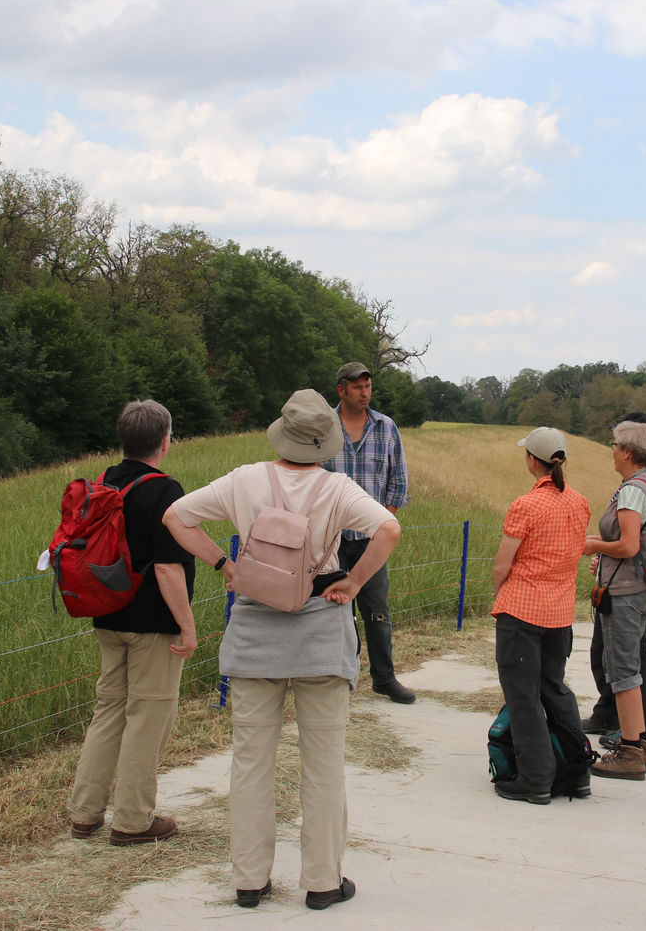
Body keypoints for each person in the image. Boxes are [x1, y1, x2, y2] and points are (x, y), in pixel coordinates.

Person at [163, 389, 401, 911]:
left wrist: (225, 567)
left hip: (255, 633)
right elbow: (389, 527)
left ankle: (249, 880)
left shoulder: (244, 479)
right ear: (326, 443)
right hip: (320, 633)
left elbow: (176, 517)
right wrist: (355, 582)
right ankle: (321, 882)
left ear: (281, 434)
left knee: (251, 761)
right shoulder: (338, 488)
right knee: (323, 763)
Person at [67, 400, 199, 846]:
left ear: (123, 439)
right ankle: (133, 820)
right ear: (165, 441)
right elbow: (168, 568)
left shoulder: (103, 483)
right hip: (152, 623)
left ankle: (85, 813)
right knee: (148, 715)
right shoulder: (165, 491)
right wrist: (187, 625)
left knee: (108, 711)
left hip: (106, 612)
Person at [490, 426, 591, 805]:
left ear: (532, 460)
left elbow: (503, 564)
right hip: (560, 614)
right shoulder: (579, 502)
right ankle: (578, 771)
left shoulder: (526, 505)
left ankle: (535, 779)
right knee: (556, 690)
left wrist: (501, 591)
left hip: (523, 612)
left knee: (523, 697)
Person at [320, 362, 415, 704]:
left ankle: (384, 679)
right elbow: (311, 479)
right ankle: (340, 679)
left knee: (377, 612)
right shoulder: (323, 427)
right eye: (357, 387)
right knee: (333, 612)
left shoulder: (386, 427)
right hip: (329, 538)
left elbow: (398, 482)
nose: (364, 393)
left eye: (368, 386)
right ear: (341, 389)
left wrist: (380, 524)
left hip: (371, 541)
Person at [581, 410, 646, 766]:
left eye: (616, 445)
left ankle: (630, 750)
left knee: (623, 672)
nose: (612, 450)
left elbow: (629, 545)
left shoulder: (633, 490)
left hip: (625, 593)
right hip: (641, 589)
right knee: (628, 666)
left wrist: (595, 545)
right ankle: (640, 747)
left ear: (629, 452)